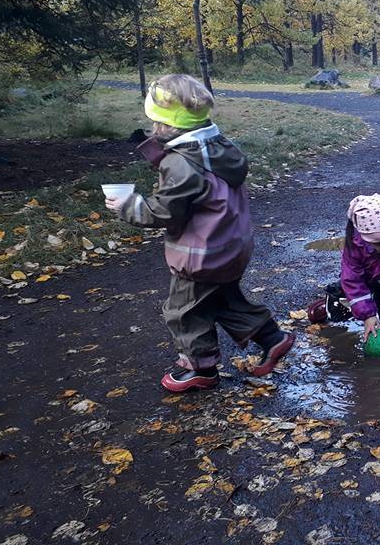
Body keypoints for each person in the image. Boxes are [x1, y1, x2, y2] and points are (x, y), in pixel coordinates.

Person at [105, 75, 294, 392]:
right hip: (231, 247)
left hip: (201, 255)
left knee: (183, 312)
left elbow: (164, 211)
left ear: (163, 126)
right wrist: (163, 160)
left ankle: (199, 369)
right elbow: (197, 180)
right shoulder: (218, 146)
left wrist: (128, 205)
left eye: (155, 123)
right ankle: (272, 338)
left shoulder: (182, 165)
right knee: (222, 300)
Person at [308, 194, 380, 341]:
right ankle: (331, 303)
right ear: (364, 238)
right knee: (340, 312)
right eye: (379, 244)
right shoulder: (355, 245)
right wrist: (368, 316)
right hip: (363, 280)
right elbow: (353, 280)